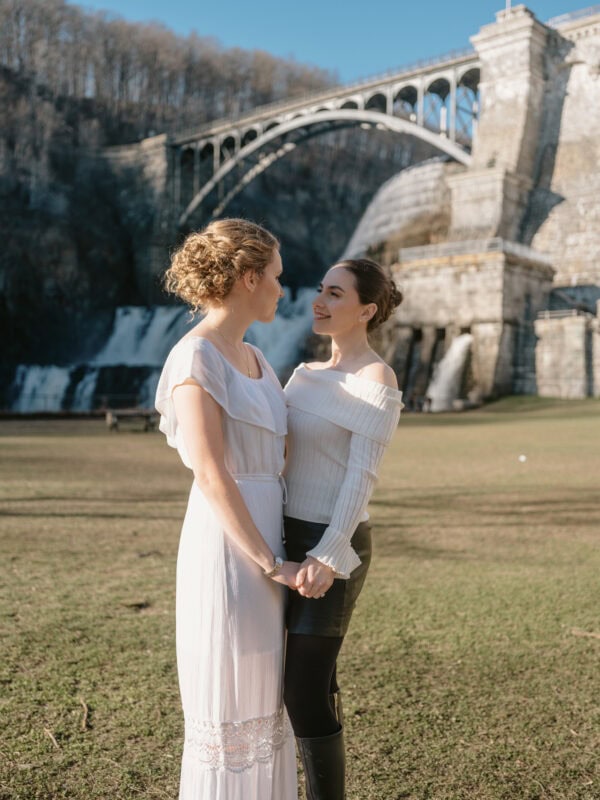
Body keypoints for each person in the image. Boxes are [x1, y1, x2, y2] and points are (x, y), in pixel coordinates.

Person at [154, 219, 299, 800]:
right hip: (229, 550)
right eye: (276, 278)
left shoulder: (260, 360)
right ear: (247, 278)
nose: (282, 290)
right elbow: (211, 473)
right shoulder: (196, 359)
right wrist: (269, 562)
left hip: (273, 538)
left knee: (267, 698)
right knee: (232, 696)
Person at [282, 258, 404, 799]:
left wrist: (328, 555)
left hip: (337, 540)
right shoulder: (302, 375)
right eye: (320, 290)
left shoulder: (376, 378)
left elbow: (362, 479)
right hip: (281, 535)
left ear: (367, 310)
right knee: (310, 676)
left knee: (303, 687)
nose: (320, 301)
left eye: (336, 293)